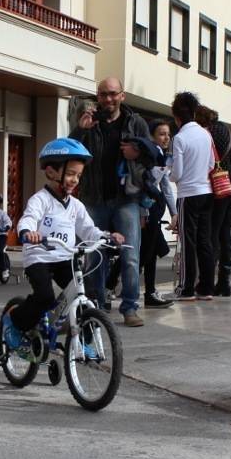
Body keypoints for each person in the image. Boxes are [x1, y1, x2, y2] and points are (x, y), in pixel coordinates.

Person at [1, 139, 125, 349]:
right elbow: (29, 217)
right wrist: (27, 231)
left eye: (78, 175)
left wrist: (106, 236)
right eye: (70, 174)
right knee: (45, 296)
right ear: (51, 172)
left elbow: (88, 229)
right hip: (39, 257)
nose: (75, 179)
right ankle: (14, 323)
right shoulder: (41, 200)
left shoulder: (75, 205)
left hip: (64, 257)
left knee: (87, 295)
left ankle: (84, 342)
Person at [70, 77, 151, 327]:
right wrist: (81, 130)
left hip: (126, 199)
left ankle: (129, 308)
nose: (108, 99)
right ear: (98, 96)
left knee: (130, 256)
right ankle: (98, 306)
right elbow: (70, 151)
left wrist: (137, 152)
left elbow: (155, 157)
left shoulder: (135, 122)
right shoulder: (88, 122)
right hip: (93, 198)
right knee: (95, 256)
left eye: (113, 94)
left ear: (122, 96)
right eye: (104, 94)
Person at [196, 105, 231, 297]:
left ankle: (208, 282)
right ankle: (224, 281)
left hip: (219, 189)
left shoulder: (206, 134)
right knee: (225, 233)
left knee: (212, 235)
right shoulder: (228, 131)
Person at [169, 92, 216, 301]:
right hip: (207, 192)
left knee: (188, 242)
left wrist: (168, 174)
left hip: (187, 194)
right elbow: (211, 165)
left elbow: (177, 173)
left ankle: (186, 288)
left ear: (176, 116)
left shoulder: (179, 138)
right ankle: (206, 287)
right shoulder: (206, 135)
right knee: (204, 240)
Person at [141, 119, 177, 307]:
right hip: (145, 210)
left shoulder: (164, 156)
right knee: (144, 252)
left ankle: (150, 292)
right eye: (162, 134)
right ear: (152, 136)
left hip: (154, 210)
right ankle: (110, 285)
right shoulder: (147, 156)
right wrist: (143, 212)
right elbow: (142, 185)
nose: (166, 138)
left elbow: (166, 187)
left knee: (149, 251)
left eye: (168, 134)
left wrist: (174, 212)